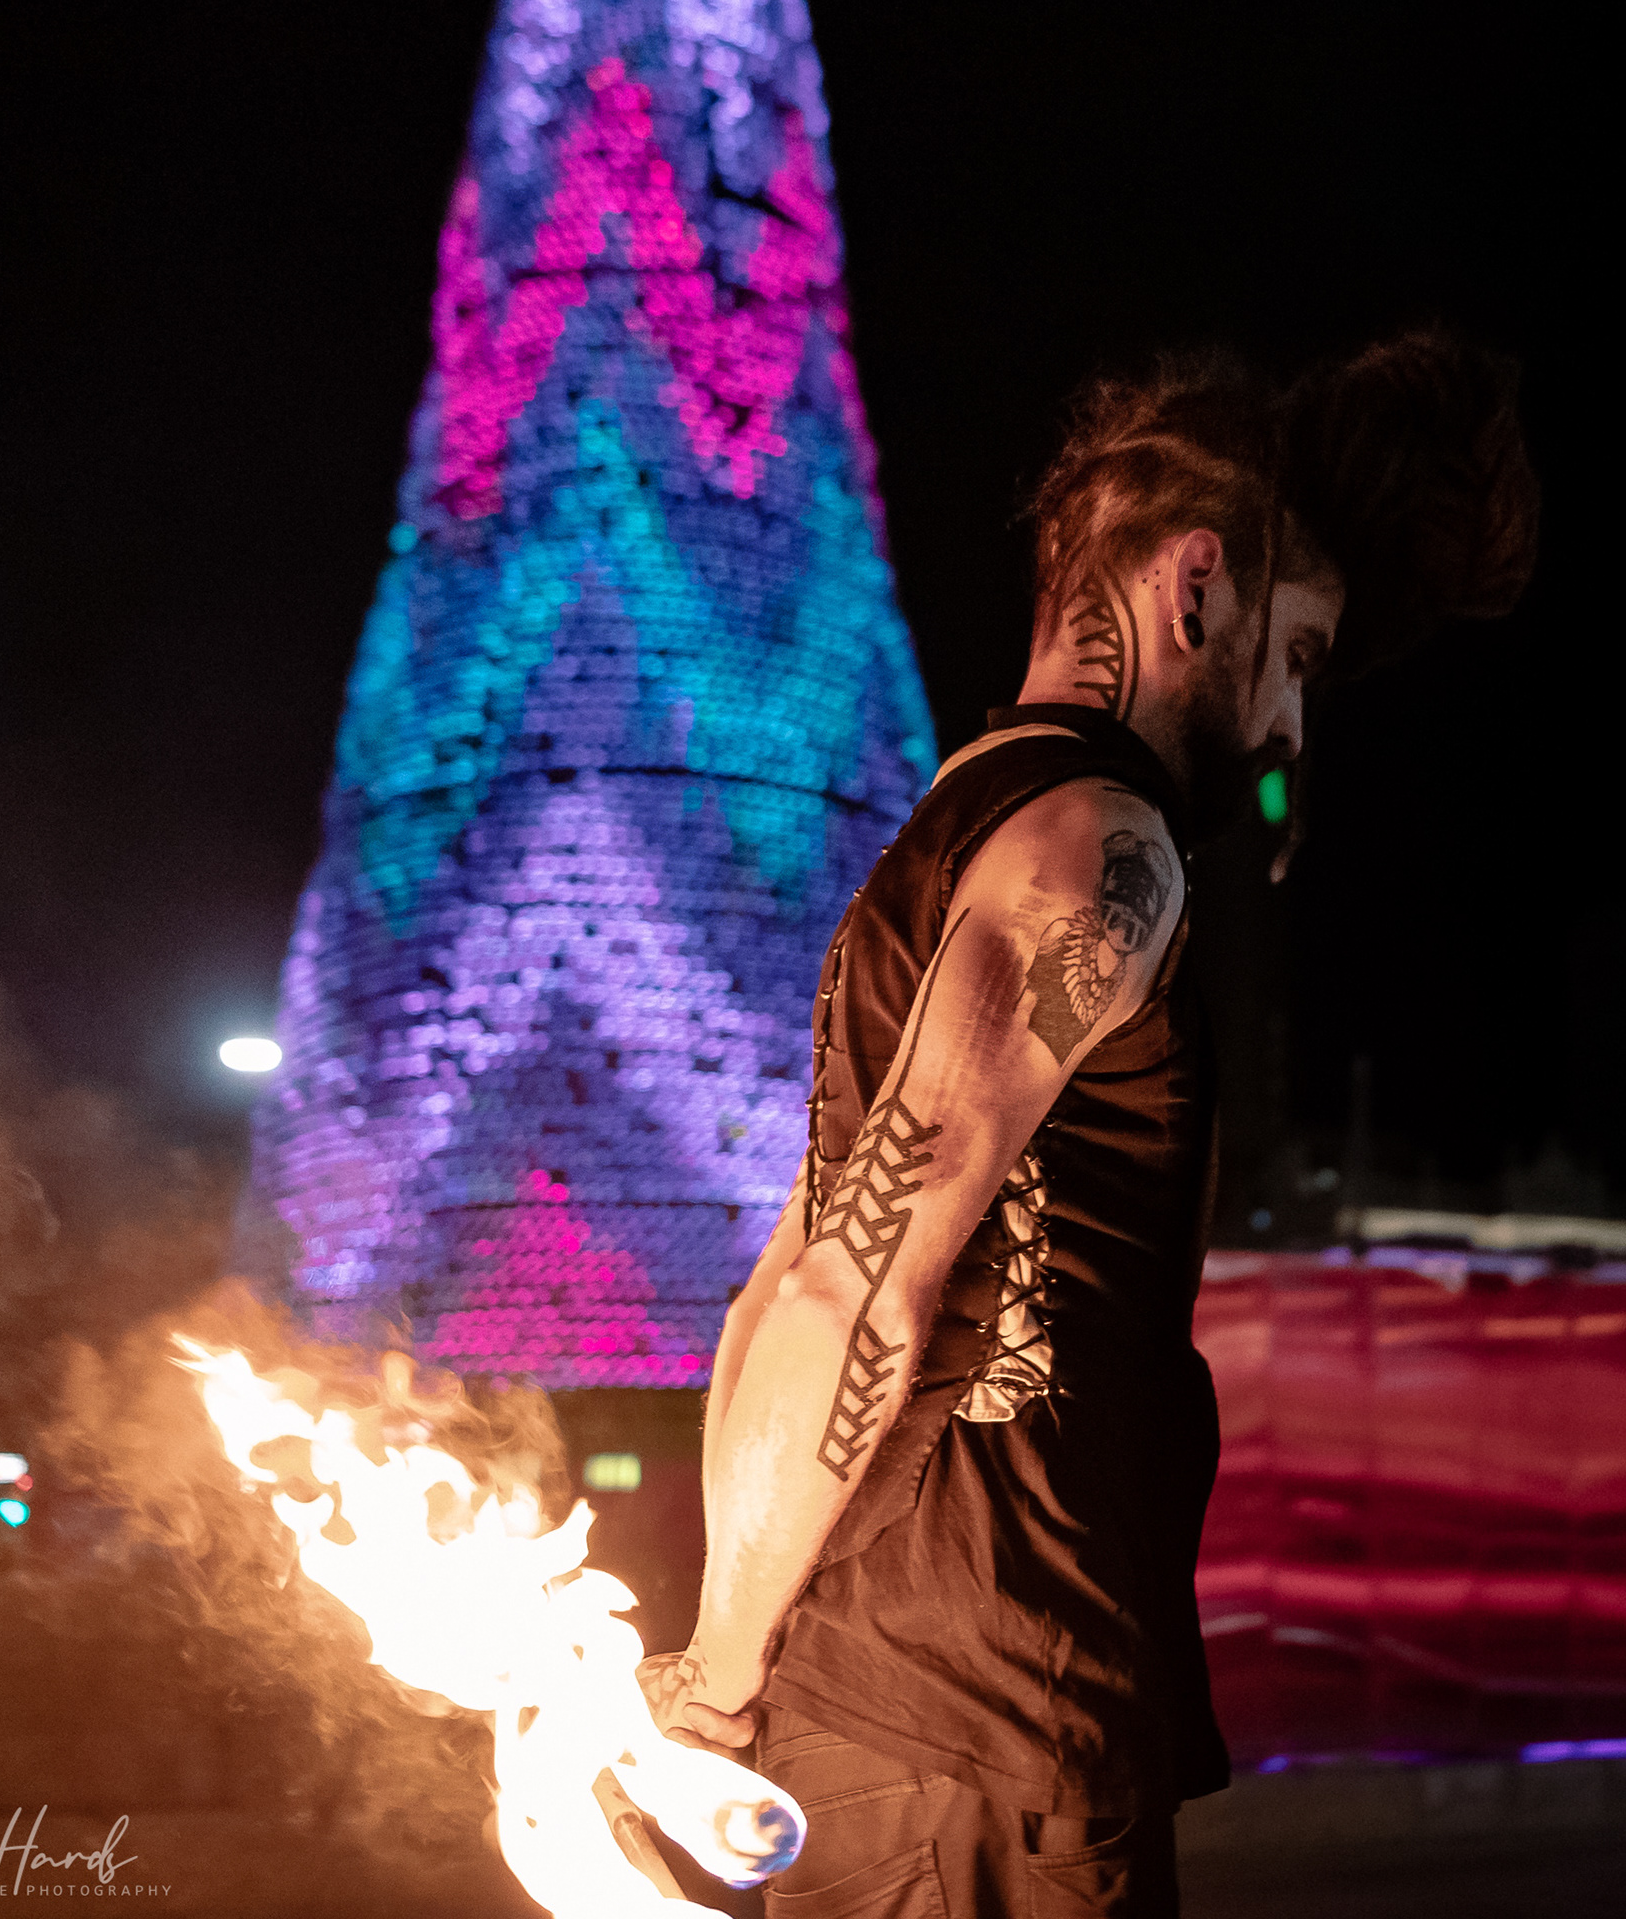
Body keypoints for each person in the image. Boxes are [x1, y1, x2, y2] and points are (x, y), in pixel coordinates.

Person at [640, 330, 1538, 1915]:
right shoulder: (1098, 845)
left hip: (889, 1713)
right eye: (1300, 655)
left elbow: (779, 1287)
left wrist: (734, 1661)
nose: (1292, 724)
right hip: (989, 1722)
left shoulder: (951, 831)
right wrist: (715, 1684)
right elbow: (855, 1288)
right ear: (1196, 587)